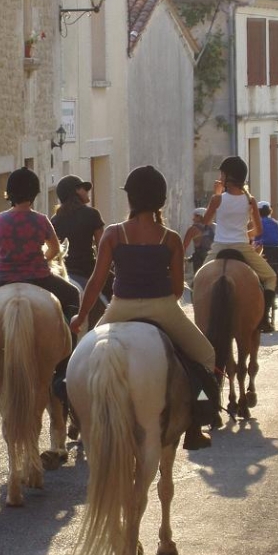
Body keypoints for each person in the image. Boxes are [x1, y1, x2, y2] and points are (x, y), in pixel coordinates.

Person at [70, 165, 218, 451]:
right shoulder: (171, 238)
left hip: (120, 308)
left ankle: (76, 415)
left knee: (84, 361)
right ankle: (197, 424)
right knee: (206, 358)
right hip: (163, 307)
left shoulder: (113, 234)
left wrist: (81, 316)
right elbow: (177, 289)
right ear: (161, 200)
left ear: (131, 199)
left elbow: (95, 282)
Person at [0, 167, 80, 396]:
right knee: (73, 294)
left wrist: (8, 255)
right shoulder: (41, 220)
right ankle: (67, 359)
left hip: (3, 277)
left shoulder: (0, 220)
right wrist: (40, 257)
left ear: (9, 194)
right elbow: (54, 248)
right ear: (34, 193)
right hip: (40, 277)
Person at [202, 156, 278, 331]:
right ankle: (264, 318)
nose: (220, 176)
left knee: (199, 280)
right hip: (242, 248)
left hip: (219, 247)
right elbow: (258, 231)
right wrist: (245, 232)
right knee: (270, 276)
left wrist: (217, 193)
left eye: (221, 173)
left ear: (227, 176)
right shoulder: (250, 201)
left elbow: (206, 222)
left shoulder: (217, 199)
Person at [51, 174, 113, 304]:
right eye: (84, 188)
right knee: (116, 291)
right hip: (87, 271)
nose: (87, 191)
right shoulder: (92, 214)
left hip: (63, 272)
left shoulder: (54, 220)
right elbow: (103, 248)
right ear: (76, 191)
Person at [254, 201, 278, 293]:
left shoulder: (257, 222)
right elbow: (277, 240)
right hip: (275, 250)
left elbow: (256, 238)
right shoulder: (275, 222)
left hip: (262, 249)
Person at [183, 207, 215, 272]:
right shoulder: (214, 227)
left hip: (200, 260)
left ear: (201, 217)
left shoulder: (193, 229)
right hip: (213, 257)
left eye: (195, 216)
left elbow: (183, 247)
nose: (193, 219)